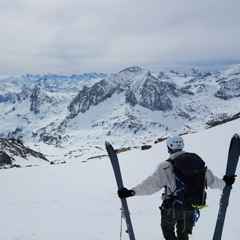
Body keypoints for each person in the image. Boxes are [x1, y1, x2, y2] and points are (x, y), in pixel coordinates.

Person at [117, 135, 236, 240]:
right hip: (191, 207)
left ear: (168, 148)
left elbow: (152, 184)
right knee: (183, 233)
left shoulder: (165, 166)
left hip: (172, 207)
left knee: (167, 230)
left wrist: (132, 192)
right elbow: (213, 181)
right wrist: (225, 182)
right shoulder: (196, 163)